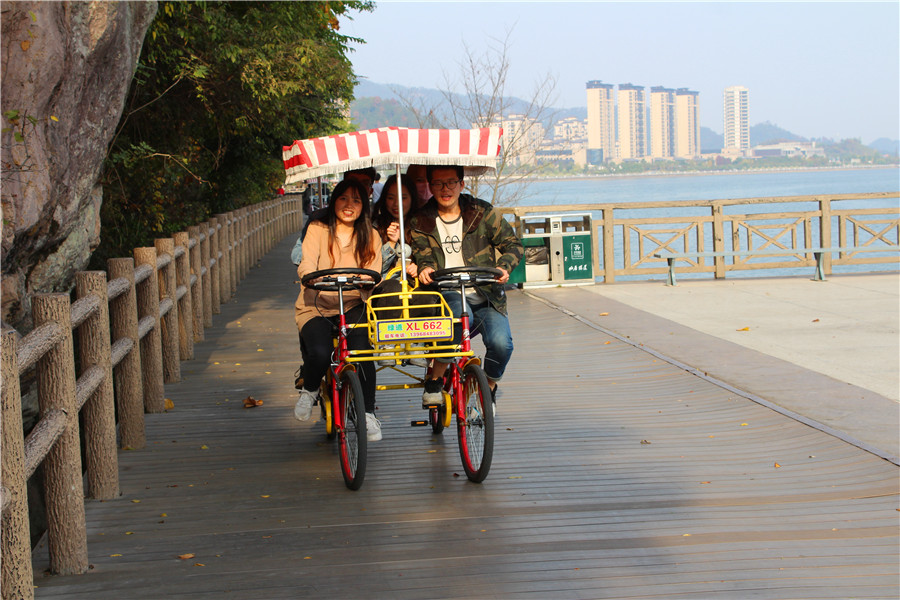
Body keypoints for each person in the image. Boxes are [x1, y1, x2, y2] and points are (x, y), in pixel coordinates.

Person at [409, 165, 523, 414]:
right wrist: (424, 268)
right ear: (430, 187)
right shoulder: (420, 220)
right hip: (447, 291)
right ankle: (435, 380)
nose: (445, 189)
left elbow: (513, 244)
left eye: (451, 182)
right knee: (460, 320)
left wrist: (504, 267)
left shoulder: (481, 212)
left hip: (486, 294)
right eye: (438, 184)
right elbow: (420, 253)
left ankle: (488, 388)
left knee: (502, 344)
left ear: (462, 184)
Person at [294, 178, 384, 441]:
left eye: (356, 200)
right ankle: (310, 390)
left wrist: (369, 279)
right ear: (334, 201)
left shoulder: (371, 234)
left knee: (363, 354)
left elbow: (374, 269)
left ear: (363, 206)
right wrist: (310, 276)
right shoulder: (317, 229)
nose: (349, 205)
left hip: (354, 302)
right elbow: (307, 261)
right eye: (343, 198)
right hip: (316, 304)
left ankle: (367, 413)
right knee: (320, 352)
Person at [291, 168, 378, 266]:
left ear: (371, 190)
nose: (356, 188)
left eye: (364, 183)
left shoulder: (375, 226)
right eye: (344, 198)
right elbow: (299, 255)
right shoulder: (317, 223)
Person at [372, 173, 419, 280]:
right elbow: (376, 268)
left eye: (403, 198)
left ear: (412, 198)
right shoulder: (376, 226)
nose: (396, 204)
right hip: (388, 287)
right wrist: (391, 243)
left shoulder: (421, 225)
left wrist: (420, 267)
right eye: (390, 198)